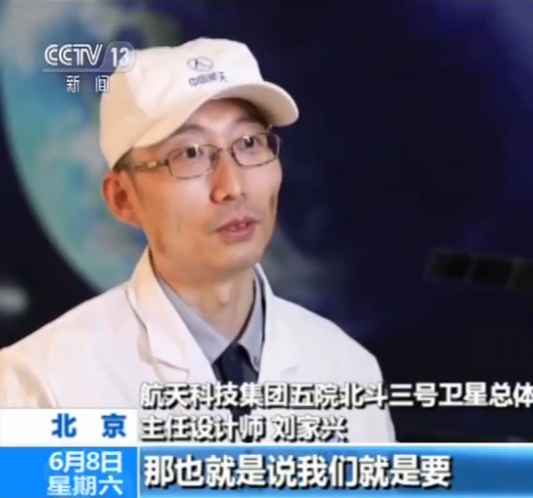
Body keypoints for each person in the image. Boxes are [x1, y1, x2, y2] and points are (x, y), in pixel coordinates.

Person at [0, 38, 395, 442]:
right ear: (123, 198)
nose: (233, 187)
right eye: (190, 153)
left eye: (249, 143)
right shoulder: (41, 385)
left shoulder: (348, 369)